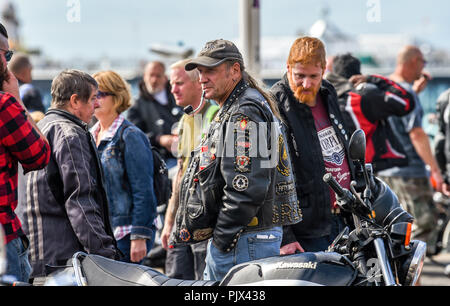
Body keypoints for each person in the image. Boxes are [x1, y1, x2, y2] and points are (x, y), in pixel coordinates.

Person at [176, 39, 301, 281]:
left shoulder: (244, 111)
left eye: (210, 70)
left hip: (244, 240)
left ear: (234, 71)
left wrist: (222, 240)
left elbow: (246, 187)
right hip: (247, 237)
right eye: (200, 71)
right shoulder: (245, 103)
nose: (202, 78)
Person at [18, 69, 118, 282]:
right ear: (74, 101)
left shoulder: (39, 128)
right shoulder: (70, 135)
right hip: (65, 264)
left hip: (35, 259)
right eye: (93, 99)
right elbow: (81, 201)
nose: (97, 105)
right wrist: (107, 259)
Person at [270, 36, 352, 253]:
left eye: (313, 76)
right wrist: (285, 235)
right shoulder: (276, 102)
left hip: (342, 216)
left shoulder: (327, 92)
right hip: (306, 228)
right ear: (288, 68)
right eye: (299, 76)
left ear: (324, 70)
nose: (306, 84)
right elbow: (271, 174)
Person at [377, 45, 442, 255]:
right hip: (410, 171)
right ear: (414, 61)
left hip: (384, 171)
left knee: (391, 225)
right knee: (424, 224)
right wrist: (435, 169)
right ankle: (411, 274)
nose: (424, 68)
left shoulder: (383, 89)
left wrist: (414, 92)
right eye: (423, 62)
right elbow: (416, 134)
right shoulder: (407, 93)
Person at [90, 70, 158, 264]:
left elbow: (143, 190)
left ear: (117, 96)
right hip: (104, 234)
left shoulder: (130, 136)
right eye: (92, 95)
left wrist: (139, 235)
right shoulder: (91, 135)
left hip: (127, 233)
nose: (95, 100)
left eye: (100, 94)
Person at [160, 59, 219, 280]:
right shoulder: (186, 119)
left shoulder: (215, 115)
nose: (173, 89)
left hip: (205, 226)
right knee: (174, 278)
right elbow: (181, 175)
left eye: (179, 83)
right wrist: (169, 223)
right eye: (172, 84)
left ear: (198, 83)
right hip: (183, 220)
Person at [0, 23, 50, 282]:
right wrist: (16, 101)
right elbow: (39, 155)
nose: (7, 63)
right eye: (6, 55)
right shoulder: (4, 107)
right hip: (3, 237)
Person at [325, 53, 415, 173]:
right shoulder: (364, 96)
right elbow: (406, 102)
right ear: (358, 74)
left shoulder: (325, 96)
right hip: (370, 170)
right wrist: (371, 79)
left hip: (340, 169)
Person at [127, 61, 182, 169]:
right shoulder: (137, 105)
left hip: (184, 153)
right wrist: (159, 139)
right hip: (159, 160)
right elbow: (133, 134)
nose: (154, 80)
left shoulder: (178, 95)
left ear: (165, 78)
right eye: (151, 75)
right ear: (144, 77)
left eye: (158, 76)